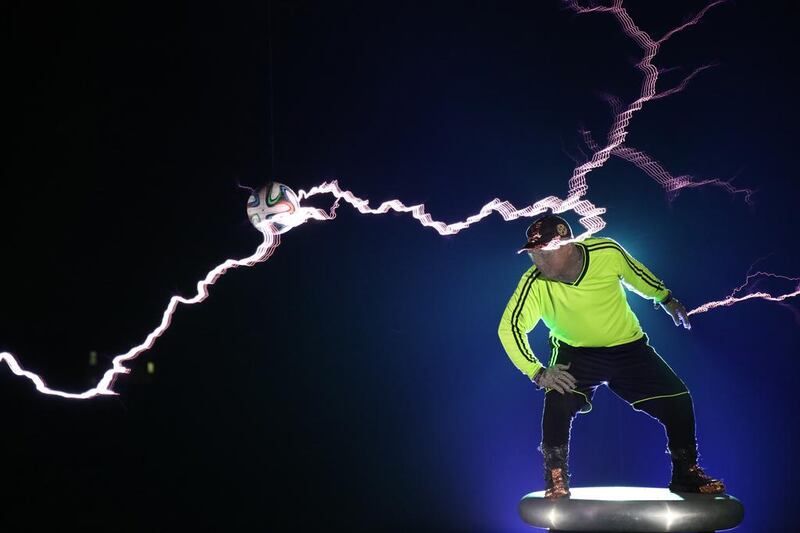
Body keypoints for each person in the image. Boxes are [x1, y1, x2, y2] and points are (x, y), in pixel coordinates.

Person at [497, 213, 725, 499]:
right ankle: (555, 479)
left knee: (678, 399)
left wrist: (664, 297)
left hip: (628, 349)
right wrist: (538, 372)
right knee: (557, 400)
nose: (538, 262)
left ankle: (686, 473)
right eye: (533, 254)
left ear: (567, 246)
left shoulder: (606, 252)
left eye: (545, 253)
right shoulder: (534, 283)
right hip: (576, 354)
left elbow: (636, 274)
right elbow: (510, 328)